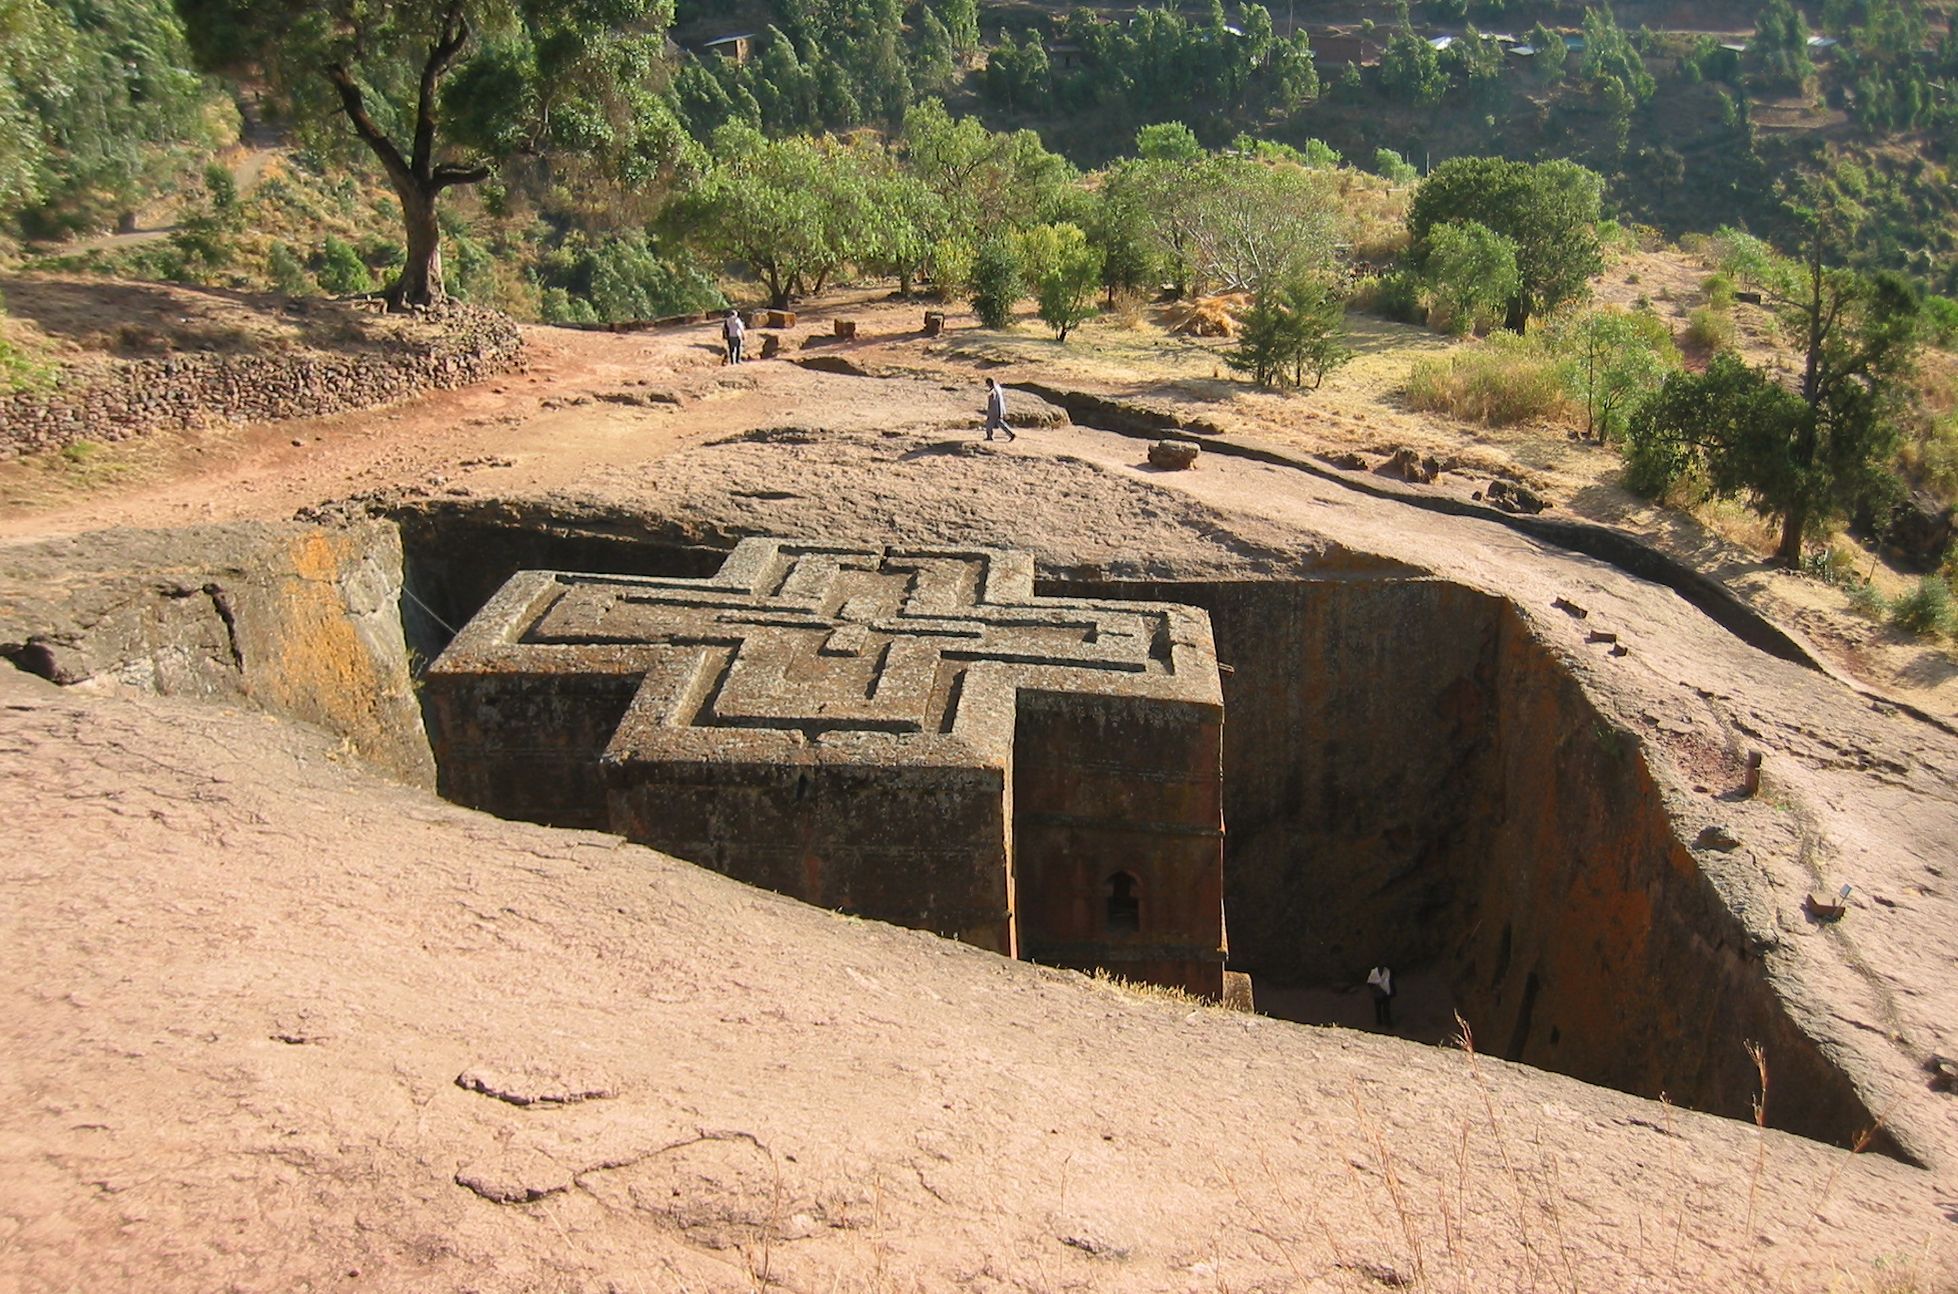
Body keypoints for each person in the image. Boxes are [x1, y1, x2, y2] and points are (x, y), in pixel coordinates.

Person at [983, 377, 1015, 442]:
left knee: (989, 423)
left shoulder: (993, 390)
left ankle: (989, 436)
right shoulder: (998, 388)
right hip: (998, 409)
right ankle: (1011, 434)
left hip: (994, 410)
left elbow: (993, 397)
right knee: (1000, 423)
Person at [1366, 965, 1395, 1029]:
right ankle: (1379, 1022)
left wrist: (1392, 991)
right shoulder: (1374, 972)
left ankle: (1387, 1023)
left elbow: (1391, 981)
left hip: (1386, 993)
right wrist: (1374, 989)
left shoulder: (1387, 971)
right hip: (1377, 993)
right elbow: (1369, 983)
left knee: (1386, 1009)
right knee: (1378, 1009)